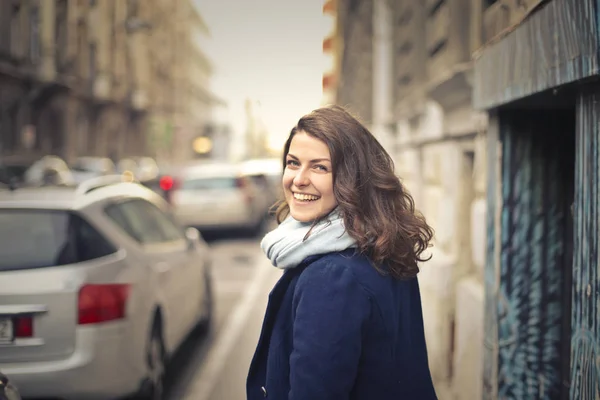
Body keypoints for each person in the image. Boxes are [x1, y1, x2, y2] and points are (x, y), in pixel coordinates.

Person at [246, 105, 438, 400]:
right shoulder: (381, 244)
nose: (298, 179)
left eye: (320, 167)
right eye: (293, 162)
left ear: (353, 178)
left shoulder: (331, 276)